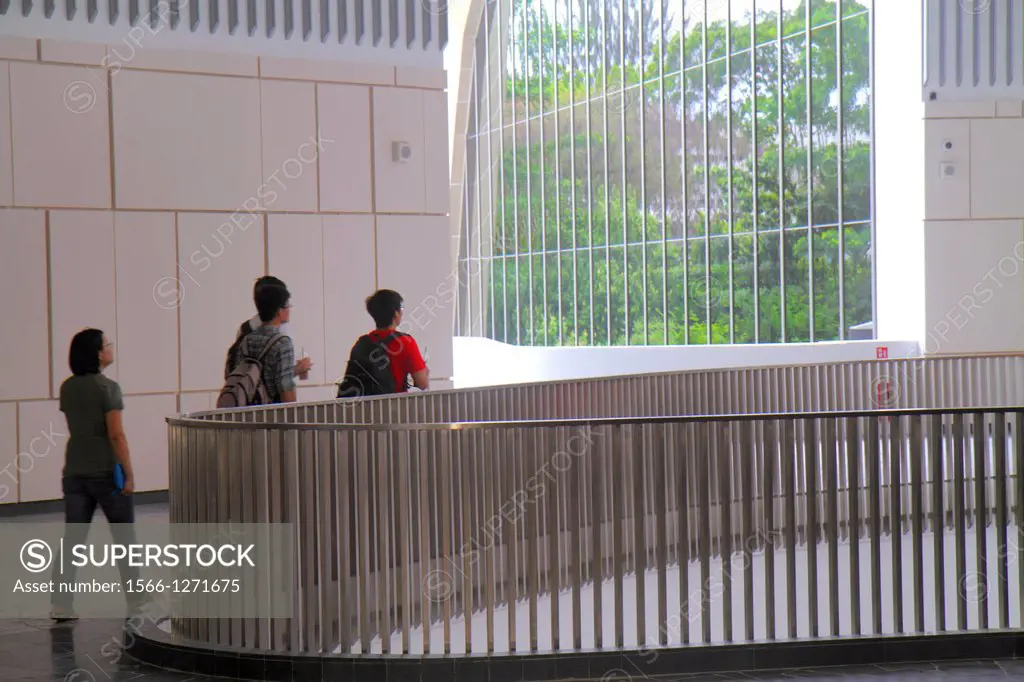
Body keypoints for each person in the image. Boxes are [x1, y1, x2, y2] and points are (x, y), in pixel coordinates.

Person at [51, 329, 142, 621]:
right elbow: (116, 435)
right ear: (98, 354)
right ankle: (136, 600)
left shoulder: (68, 388)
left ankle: (61, 604)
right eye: (107, 344)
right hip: (106, 472)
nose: (111, 348)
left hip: (75, 471)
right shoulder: (108, 389)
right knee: (124, 538)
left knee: (73, 538)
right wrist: (128, 473)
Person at [338, 289, 429, 396]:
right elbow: (422, 383)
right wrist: (425, 370)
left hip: (362, 410)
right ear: (396, 313)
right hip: (393, 408)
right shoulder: (405, 342)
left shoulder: (361, 343)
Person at [233, 281, 307, 404]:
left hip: (249, 410)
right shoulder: (283, 343)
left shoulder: (247, 339)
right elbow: (285, 385)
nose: (289, 309)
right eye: (287, 305)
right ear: (279, 311)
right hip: (274, 412)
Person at [224, 275, 310, 381]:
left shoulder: (244, 329)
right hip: (269, 397)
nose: (289, 306)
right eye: (285, 302)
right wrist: (298, 369)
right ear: (276, 305)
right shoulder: (280, 336)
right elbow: (272, 380)